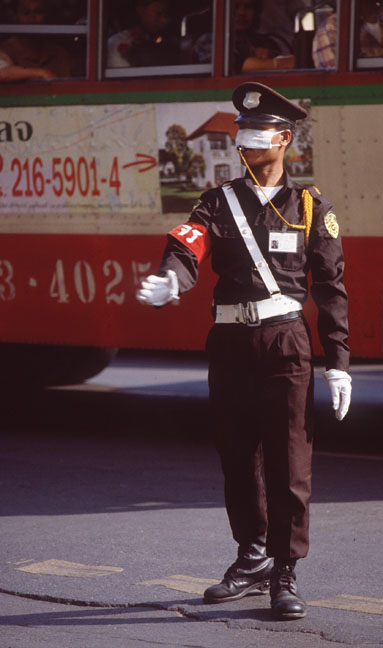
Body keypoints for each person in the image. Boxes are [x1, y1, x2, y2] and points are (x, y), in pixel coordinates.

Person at [137, 82, 352, 620]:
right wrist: (172, 279)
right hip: (231, 341)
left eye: (259, 140)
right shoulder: (217, 201)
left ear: (283, 140)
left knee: (288, 461)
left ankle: (285, 569)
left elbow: (330, 289)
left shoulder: (309, 207)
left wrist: (339, 364)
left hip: (285, 343)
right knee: (237, 457)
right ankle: (251, 557)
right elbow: (188, 243)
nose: (249, 150)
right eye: (243, 141)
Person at [0, 0, 73, 82]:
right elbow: (2, 73)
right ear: (15, 17)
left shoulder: (59, 53)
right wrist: (40, 73)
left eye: (39, 12)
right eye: (26, 13)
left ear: (47, 15)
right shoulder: (5, 50)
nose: (32, 19)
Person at [106, 0, 179, 68]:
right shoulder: (117, 43)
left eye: (166, 14)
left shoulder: (169, 42)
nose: (164, 20)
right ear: (141, 10)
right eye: (158, 13)